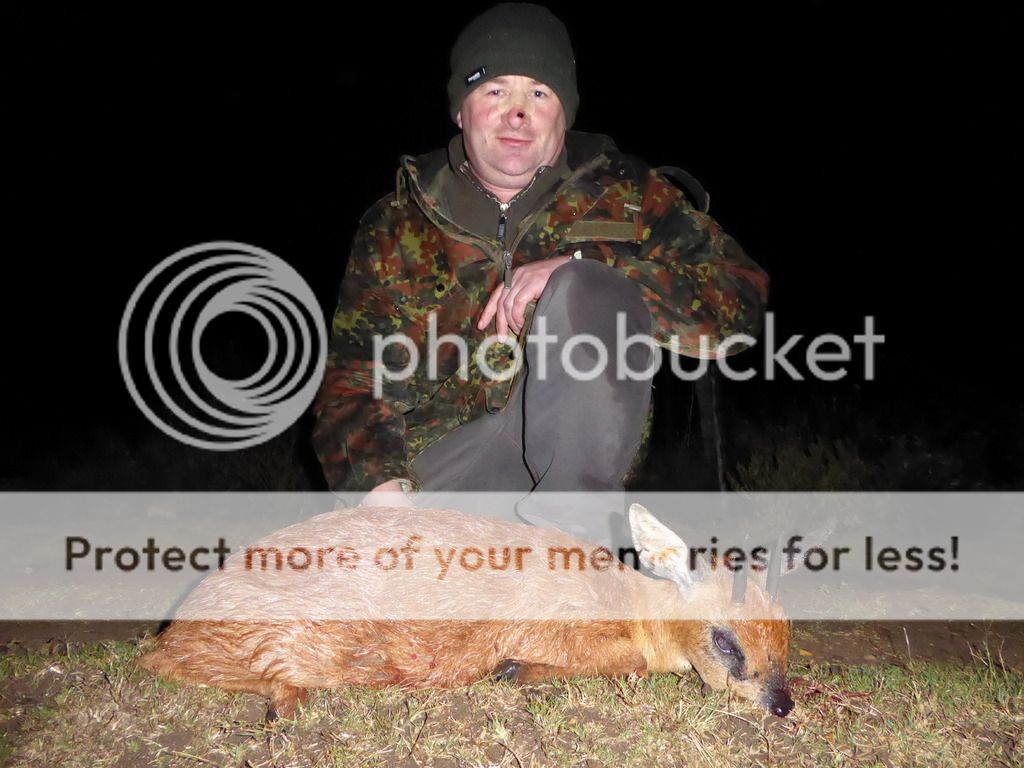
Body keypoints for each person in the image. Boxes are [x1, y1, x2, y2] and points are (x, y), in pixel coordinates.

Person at [313, 3, 768, 512]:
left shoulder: (631, 196)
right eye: (495, 90)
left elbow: (741, 297)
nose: (517, 113)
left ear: (564, 113)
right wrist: (384, 501)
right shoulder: (396, 224)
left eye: (539, 93)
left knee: (586, 285)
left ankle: (573, 535)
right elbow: (351, 384)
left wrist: (591, 267)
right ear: (461, 111)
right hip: (436, 477)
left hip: (575, 478)